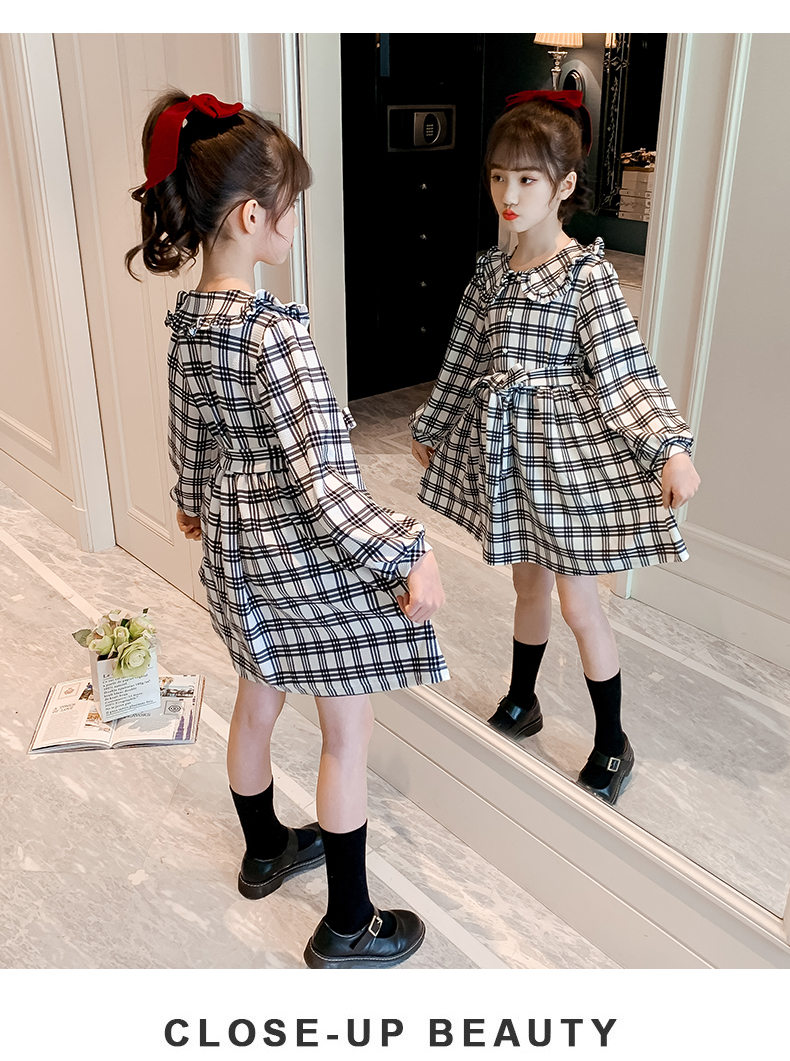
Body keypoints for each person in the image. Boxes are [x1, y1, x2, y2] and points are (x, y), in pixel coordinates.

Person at [126, 91, 448, 967]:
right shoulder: (273, 334)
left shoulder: (190, 322)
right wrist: (405, 549)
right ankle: (349, 923)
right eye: (290, 204)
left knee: (258, 692)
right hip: (302, 554)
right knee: (347, 733)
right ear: (251, 216)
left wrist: (192, 498)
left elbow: (189, 432)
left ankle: (266, 847)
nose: (295, 219)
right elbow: (322, 480)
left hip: (238, 551)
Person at [409, 91, 700, 806]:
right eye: (498, 176)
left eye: (527, 179)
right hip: (512, 459)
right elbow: (464, 362)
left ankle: (613, 739)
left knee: (578, 602)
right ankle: (523, 697)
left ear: (564, 186)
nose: (508, 195)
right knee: (527, 585)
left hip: (568, 462)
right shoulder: (490, 273)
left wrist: (670, 446)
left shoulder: (586, 276)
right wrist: (432, 425)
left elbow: (625, 371)